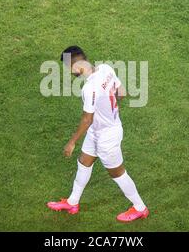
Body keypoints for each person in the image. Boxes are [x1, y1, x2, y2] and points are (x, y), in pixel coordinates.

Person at [47, 46, 149, 222]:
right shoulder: (105, 69)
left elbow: (87, 119)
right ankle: (72, 202)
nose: (69, 72)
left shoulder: (89, 88)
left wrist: (72, 142)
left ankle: (140, 208)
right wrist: (108, 109)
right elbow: (121, 92)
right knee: (84, 163)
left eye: (68, 68)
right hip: (99, 130)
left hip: (106, 136)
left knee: (117, 173)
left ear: (77, 66)